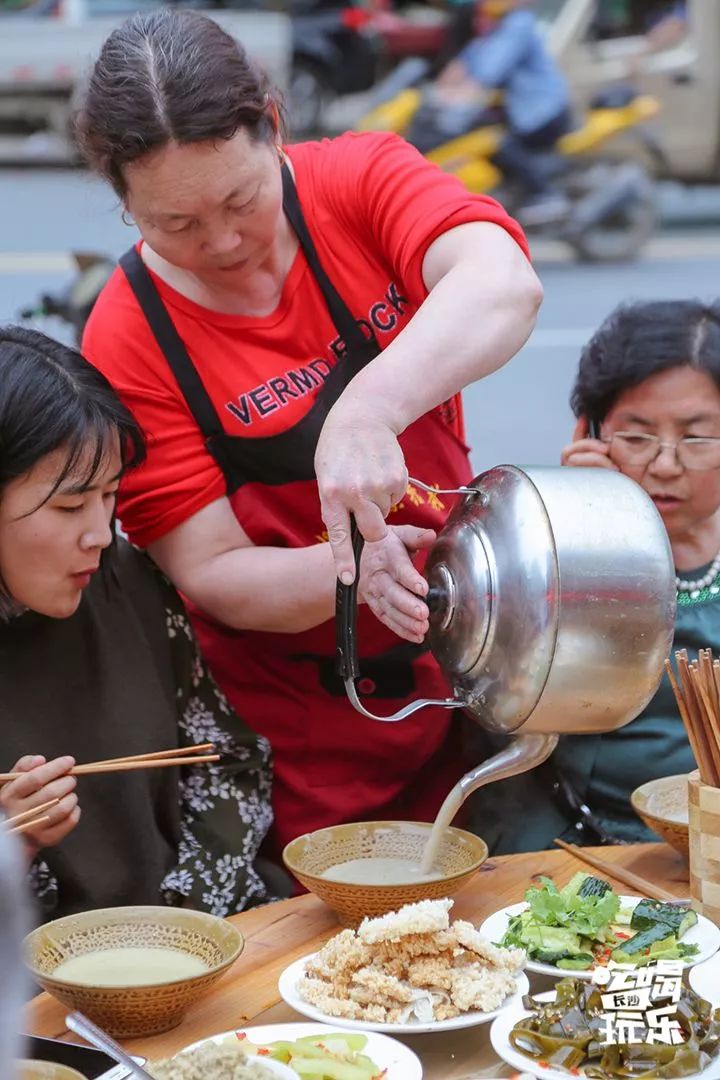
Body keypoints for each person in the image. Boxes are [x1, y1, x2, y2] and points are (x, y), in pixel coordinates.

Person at [75, 8, 541, 864]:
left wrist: (369, 410)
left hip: (475, 660)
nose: (220, 242)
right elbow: (212, 570)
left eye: (240, 200)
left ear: (274, 126)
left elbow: (503, 283)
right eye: (172, 225)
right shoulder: (128, 334)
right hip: (298, 728)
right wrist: (356, 575)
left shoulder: (359, 181)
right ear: (121, 197)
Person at [0, 326, 276, 921]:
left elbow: (228, 758)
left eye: (110, 496)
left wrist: (186, 917)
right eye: (71, 506)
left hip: (192, 934)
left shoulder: (122, 577)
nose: (100, 533)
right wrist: (11, 848)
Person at [468, 299, 720, 852]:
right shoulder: (540, 552)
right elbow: (506, 708)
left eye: (698, 438)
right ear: (589, 433)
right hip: (587, 832)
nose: (666, 464)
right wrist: (585, 534)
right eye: (637, 436)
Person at [431, 0, 574, 224]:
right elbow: (465, 62)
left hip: (542, 112)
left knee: (495, 142)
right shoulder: (495, 27)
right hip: (519, 111)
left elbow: (489, 70)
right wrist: (437, 89)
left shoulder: (518, 25)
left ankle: (545, 195)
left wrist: (458, 95)